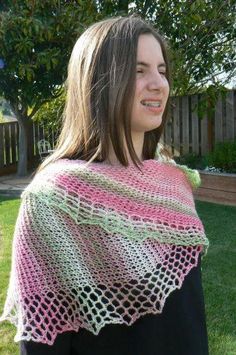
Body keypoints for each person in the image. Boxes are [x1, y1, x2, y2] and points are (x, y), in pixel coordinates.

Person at [0, 15, 209, 355]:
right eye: (139, 71)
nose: (158, 83)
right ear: (99, 81)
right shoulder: (52, 201)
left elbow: (188, 318)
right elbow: (41, 344)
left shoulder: (175, 185)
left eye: (162, 70)